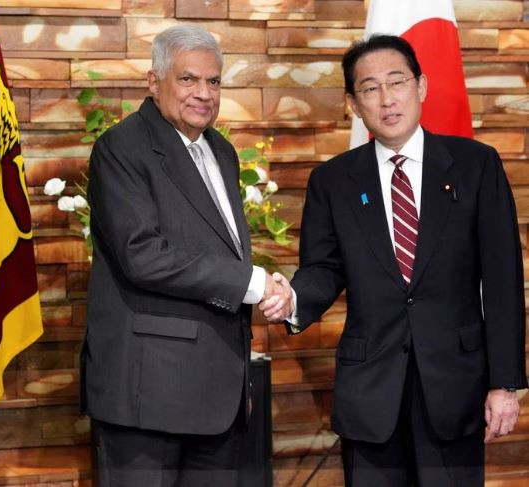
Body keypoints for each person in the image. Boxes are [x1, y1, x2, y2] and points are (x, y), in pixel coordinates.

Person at [261, 34, 527, 486]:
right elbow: (324, 269)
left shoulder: (476, 165)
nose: (386, 99)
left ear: (421, 87)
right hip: (370, 392)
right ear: (352, 103)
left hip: (455, 387)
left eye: (396, 82)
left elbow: (502, 280)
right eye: (369, 88)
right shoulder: (333, 181)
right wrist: (291, 299)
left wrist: (504, 384)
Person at [80, 24, 288, 487]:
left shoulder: (223, 151)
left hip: (217, 398)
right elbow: (142, 255)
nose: (204, 93)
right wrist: (252, 283)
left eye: (213, 81)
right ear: (153, 82)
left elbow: (217, 248)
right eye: (188, 79)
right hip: (148, 396)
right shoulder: (121, 148)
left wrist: (266, 286)